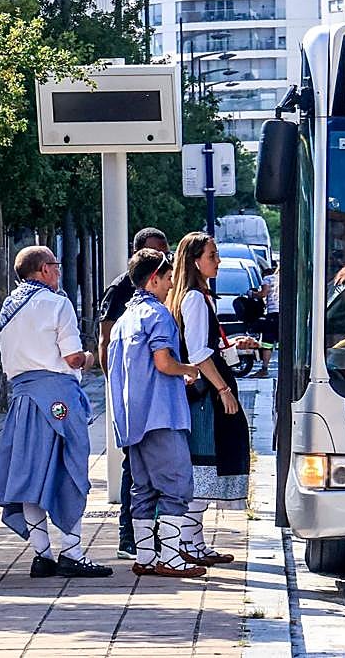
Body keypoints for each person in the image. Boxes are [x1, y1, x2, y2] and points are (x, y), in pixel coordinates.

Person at [0, 246, 112, 578]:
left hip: (23, 398)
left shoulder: (7, 308)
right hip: (58, 398)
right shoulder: (57, 303)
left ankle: (42, 554)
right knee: (71, 467)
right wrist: (90, 358)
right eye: (55, 265)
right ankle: (72, 551)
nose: (59, 272)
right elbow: (72, 358)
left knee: (29, 472)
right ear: (43, 269)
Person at [106, 249, 206, 578]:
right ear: (154, 279)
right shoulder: (158, 314)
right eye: (167, 278)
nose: (171, 284)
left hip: (132, 418)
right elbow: (163, 362)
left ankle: (147, 556)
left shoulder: (123, 320)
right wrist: (189, 369)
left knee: (143, 490)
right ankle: (172, 558)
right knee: (177, 487)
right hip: (162, 414)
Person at [167, 232, 250, 566]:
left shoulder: (192, 296)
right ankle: (188, 542)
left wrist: (231, 349)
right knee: (204, 465)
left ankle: (194, 542)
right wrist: (224, 389)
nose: (218, 261)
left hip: (201, 391)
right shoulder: (194, 299)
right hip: (205, 395)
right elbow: (200, 353)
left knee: (204, 466)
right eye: (213, 255)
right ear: (195, 261)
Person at [97, 226, 169, 560]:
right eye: (155, 253)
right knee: (134, 466)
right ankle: (129, 535)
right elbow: (106, 340)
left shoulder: (162, 293)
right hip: (133, 391)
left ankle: (150, 536)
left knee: (154, 467)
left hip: (156, 391)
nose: (162, 261)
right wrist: (115, 385)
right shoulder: (121, 288)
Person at [256, 265, 279, 378]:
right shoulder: (290, 278)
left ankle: (264, 368)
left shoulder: (268, 279)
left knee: (267, 342)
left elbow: (263, 294)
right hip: (286, 314)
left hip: (272, 314)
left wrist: (253, 294)